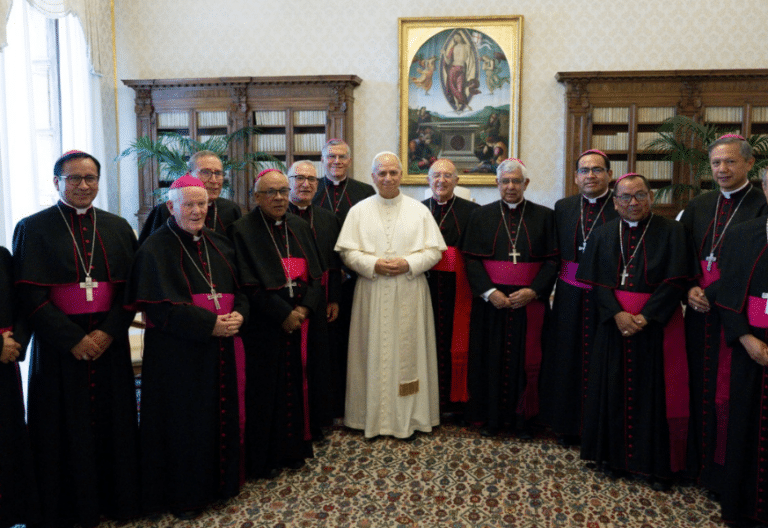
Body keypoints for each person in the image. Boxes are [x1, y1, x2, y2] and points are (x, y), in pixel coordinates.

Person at [12, 150, 140, 526]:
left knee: (113, 423)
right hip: (59, 349)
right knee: (61, 428)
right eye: (74, 179)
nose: (84, 186)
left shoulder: (117, 227)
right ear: (57, 182)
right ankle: (67, 507)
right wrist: (72, 339)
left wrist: (106, 333)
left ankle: (117, 501)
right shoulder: (33, 227)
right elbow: (29, 297)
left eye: (91, 178)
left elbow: (129, 292)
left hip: (108, 343)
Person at [125, 174, 246, 519]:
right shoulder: (154, 248)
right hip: (177, 355)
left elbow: (243, 292)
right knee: (184, 424)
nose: (196, 211)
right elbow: (160, 306)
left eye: (202, 204)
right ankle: (185, 495)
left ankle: (219, 485)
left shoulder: (220, 244)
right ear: (171, 207)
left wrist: (238, 316)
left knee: (215, 416)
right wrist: (211, 325)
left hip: (219, 348)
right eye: (189, 204)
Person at [576, 173, 690, 491]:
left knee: (655, 396)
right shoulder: (602, 235)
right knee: (612, 390)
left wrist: (645, 317)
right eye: (625, 197)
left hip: (657, 327)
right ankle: (615, 460)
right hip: (614, 326)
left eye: (640, 195)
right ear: (614, 204)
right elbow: (596, 283)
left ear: (651, 198)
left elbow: (675, 280)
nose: (633, 202)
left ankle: (656, 466)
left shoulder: (673, 232)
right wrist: (617, 315)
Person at [678, 134, 767, 494]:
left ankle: (722, 472)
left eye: (730, 162)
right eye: (716, 163)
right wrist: (688, 288)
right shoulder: (700, 204)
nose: (722, 169)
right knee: (695, 386)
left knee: (727, 394)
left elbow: (750, 267)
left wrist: (709, 293)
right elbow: (681, 253)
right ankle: (694, 464)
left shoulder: (762, 205)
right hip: (697, 313)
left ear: (749, 164)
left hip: (735, 314)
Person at [335, 152, 446, 439]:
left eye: (393, 173)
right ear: (372, 176)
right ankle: (367, 417)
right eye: (381, 173)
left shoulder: (419, 210)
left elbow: (434, 251)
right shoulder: (358, 210)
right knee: (368, 352)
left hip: (409, 290)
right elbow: (347, 251)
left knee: (409, 353)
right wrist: (372, 264)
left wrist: (409, 263)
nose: (387, 178)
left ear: (401, 175)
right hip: (370, 291)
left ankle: (411, 418)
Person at [229, 169, 325, 476]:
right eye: (271, 192)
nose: (280, 197)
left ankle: (294, 449)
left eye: (284, 191)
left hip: (300, 323)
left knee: (297, 385)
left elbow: (316, 275)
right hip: (264, 325)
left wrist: (304, 310)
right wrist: (283, 314)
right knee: (265, 390)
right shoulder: (242, 230)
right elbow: (247, 283)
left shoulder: (299, 225)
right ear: (256, 197)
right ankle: (266, 458)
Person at [461, 158, 557, 438]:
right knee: (490, 359)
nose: (511, 186)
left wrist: (534, 291)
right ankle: (491, 419)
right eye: (505, 181)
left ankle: (524, 421)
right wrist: (490, 293)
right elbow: (471, 260)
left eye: (516, 181)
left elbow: (553, 260)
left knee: (526, 361)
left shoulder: (545, 216)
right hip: (492, 304)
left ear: (526, 184)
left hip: (529, 304)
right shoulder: (480, 216)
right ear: (497, 184)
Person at [540, 149, 617, 447]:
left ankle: (600, 427)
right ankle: (567, 424)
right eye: (584, 170)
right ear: (575, 177)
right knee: (567, 357)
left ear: (609, 175)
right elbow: (553, 254)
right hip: (569, 296)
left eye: (597, 170)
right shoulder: (563, 207)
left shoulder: (620, 204)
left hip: (607, 296)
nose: (591, 176)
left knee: (603, 357)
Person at [716, 167, 768, 525]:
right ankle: (742, 506)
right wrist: (746, 339)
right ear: (765, 186)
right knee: (744, 425)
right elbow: (729, 293)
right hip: (749, 344)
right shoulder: (741, 234)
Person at [421, 159, 479, 421]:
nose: (441, 180)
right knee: (426, 338)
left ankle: (457, 401)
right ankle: (427, 398)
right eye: (436, 175)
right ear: (428, 179)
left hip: (460, 287)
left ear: (457, 180)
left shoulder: (473, 211)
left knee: (458, 339)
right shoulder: (417, 210)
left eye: (447, 175)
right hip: (423, 285)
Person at [287, 160, 341, 425]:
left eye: (312, 179)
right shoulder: (275, 214)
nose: (305, 184)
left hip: (319, 300)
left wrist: (333, 299)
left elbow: (333, 263)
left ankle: (319, 418)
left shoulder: (327, 218)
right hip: (285, 301)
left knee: (320, 359)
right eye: (299, 178)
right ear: (288, 181)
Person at [0, 247, 39, 528]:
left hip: (5, 364)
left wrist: (16, 345)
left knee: (8, 438)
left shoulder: (2, 256)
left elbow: (23, 305)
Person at [138, 150, 242, 244]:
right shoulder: (166, 210)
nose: (214, 180)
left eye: (218, 173)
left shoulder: (231, 210)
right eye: (205, 172)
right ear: (189, 174)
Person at [313, 139, 375, 224]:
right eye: (331, 156)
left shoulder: (366, 191)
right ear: (322, 160)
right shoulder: (311, 188)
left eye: (342, 157)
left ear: (349, 162)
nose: (337, 161)